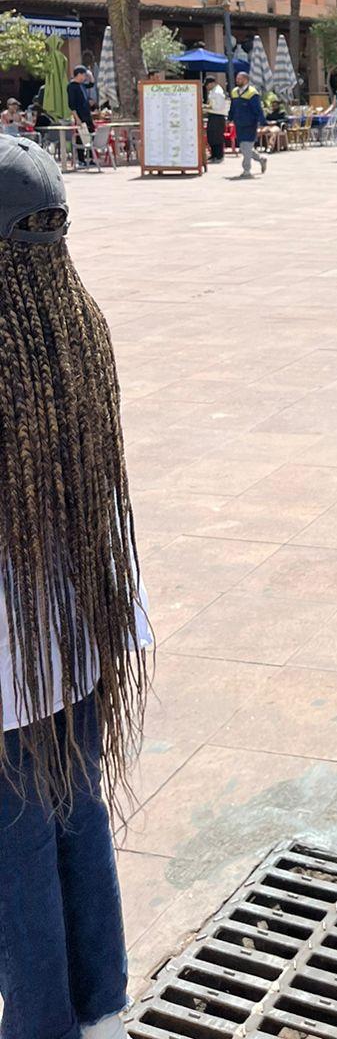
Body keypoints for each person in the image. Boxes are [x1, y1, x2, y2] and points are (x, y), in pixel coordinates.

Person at [0, 137, 151, 1039]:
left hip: (12, 673)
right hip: (79, 643)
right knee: (78, 822)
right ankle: (102, 1011)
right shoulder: (76, 327)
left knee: (17, 864)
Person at [229, 71, 268, 177]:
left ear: (246, 80)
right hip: (239, 123)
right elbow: (232, 107)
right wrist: (230, 118)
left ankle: (246, 170)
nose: (237, 80)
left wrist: (262, 122)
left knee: (247, 146)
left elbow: (258, 109)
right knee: (244, 148)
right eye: (237, 78)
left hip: (250, 124)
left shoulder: (252, 93)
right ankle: (261, 159)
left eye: (239, 79)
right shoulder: (234, 92)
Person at [67, 65, 100, 173]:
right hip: (80, 116)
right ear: (79, 74)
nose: (85, 77)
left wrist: (91, 76)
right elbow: (71, 105)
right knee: (80, 137)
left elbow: (91, 84)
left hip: (87, 115)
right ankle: (81, 159)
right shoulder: (72, 86)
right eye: (84, 75)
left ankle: (90, 157)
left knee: (91, 136)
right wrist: (77, 118)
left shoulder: (82, 85)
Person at [204, 76, 229, 164]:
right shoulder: (213, 92)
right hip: (212, 115)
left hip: (218, 116)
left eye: (207, 84)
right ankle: (214, 155)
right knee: (211, 136)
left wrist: (207, 107)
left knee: (217, 137)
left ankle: (219, 156)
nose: (207, 87)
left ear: (212, 83)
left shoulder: (218, 92)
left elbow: (219, 106)